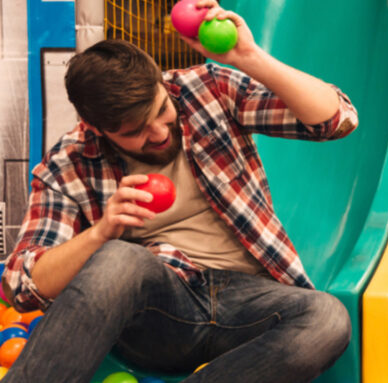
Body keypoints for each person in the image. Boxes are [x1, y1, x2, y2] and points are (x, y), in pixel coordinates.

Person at [2, 2, 357, 381]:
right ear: (95, 127)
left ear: (161, 83)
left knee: (327, 316)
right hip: (161, 313)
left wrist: (249, 56)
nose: (157, 132)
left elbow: (336, 120)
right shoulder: (68, 163)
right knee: (119, 258)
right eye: (134, 131)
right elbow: (22, 287)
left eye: (160, 110)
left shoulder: (207, 90)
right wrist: (102, 232)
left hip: (251, 299)